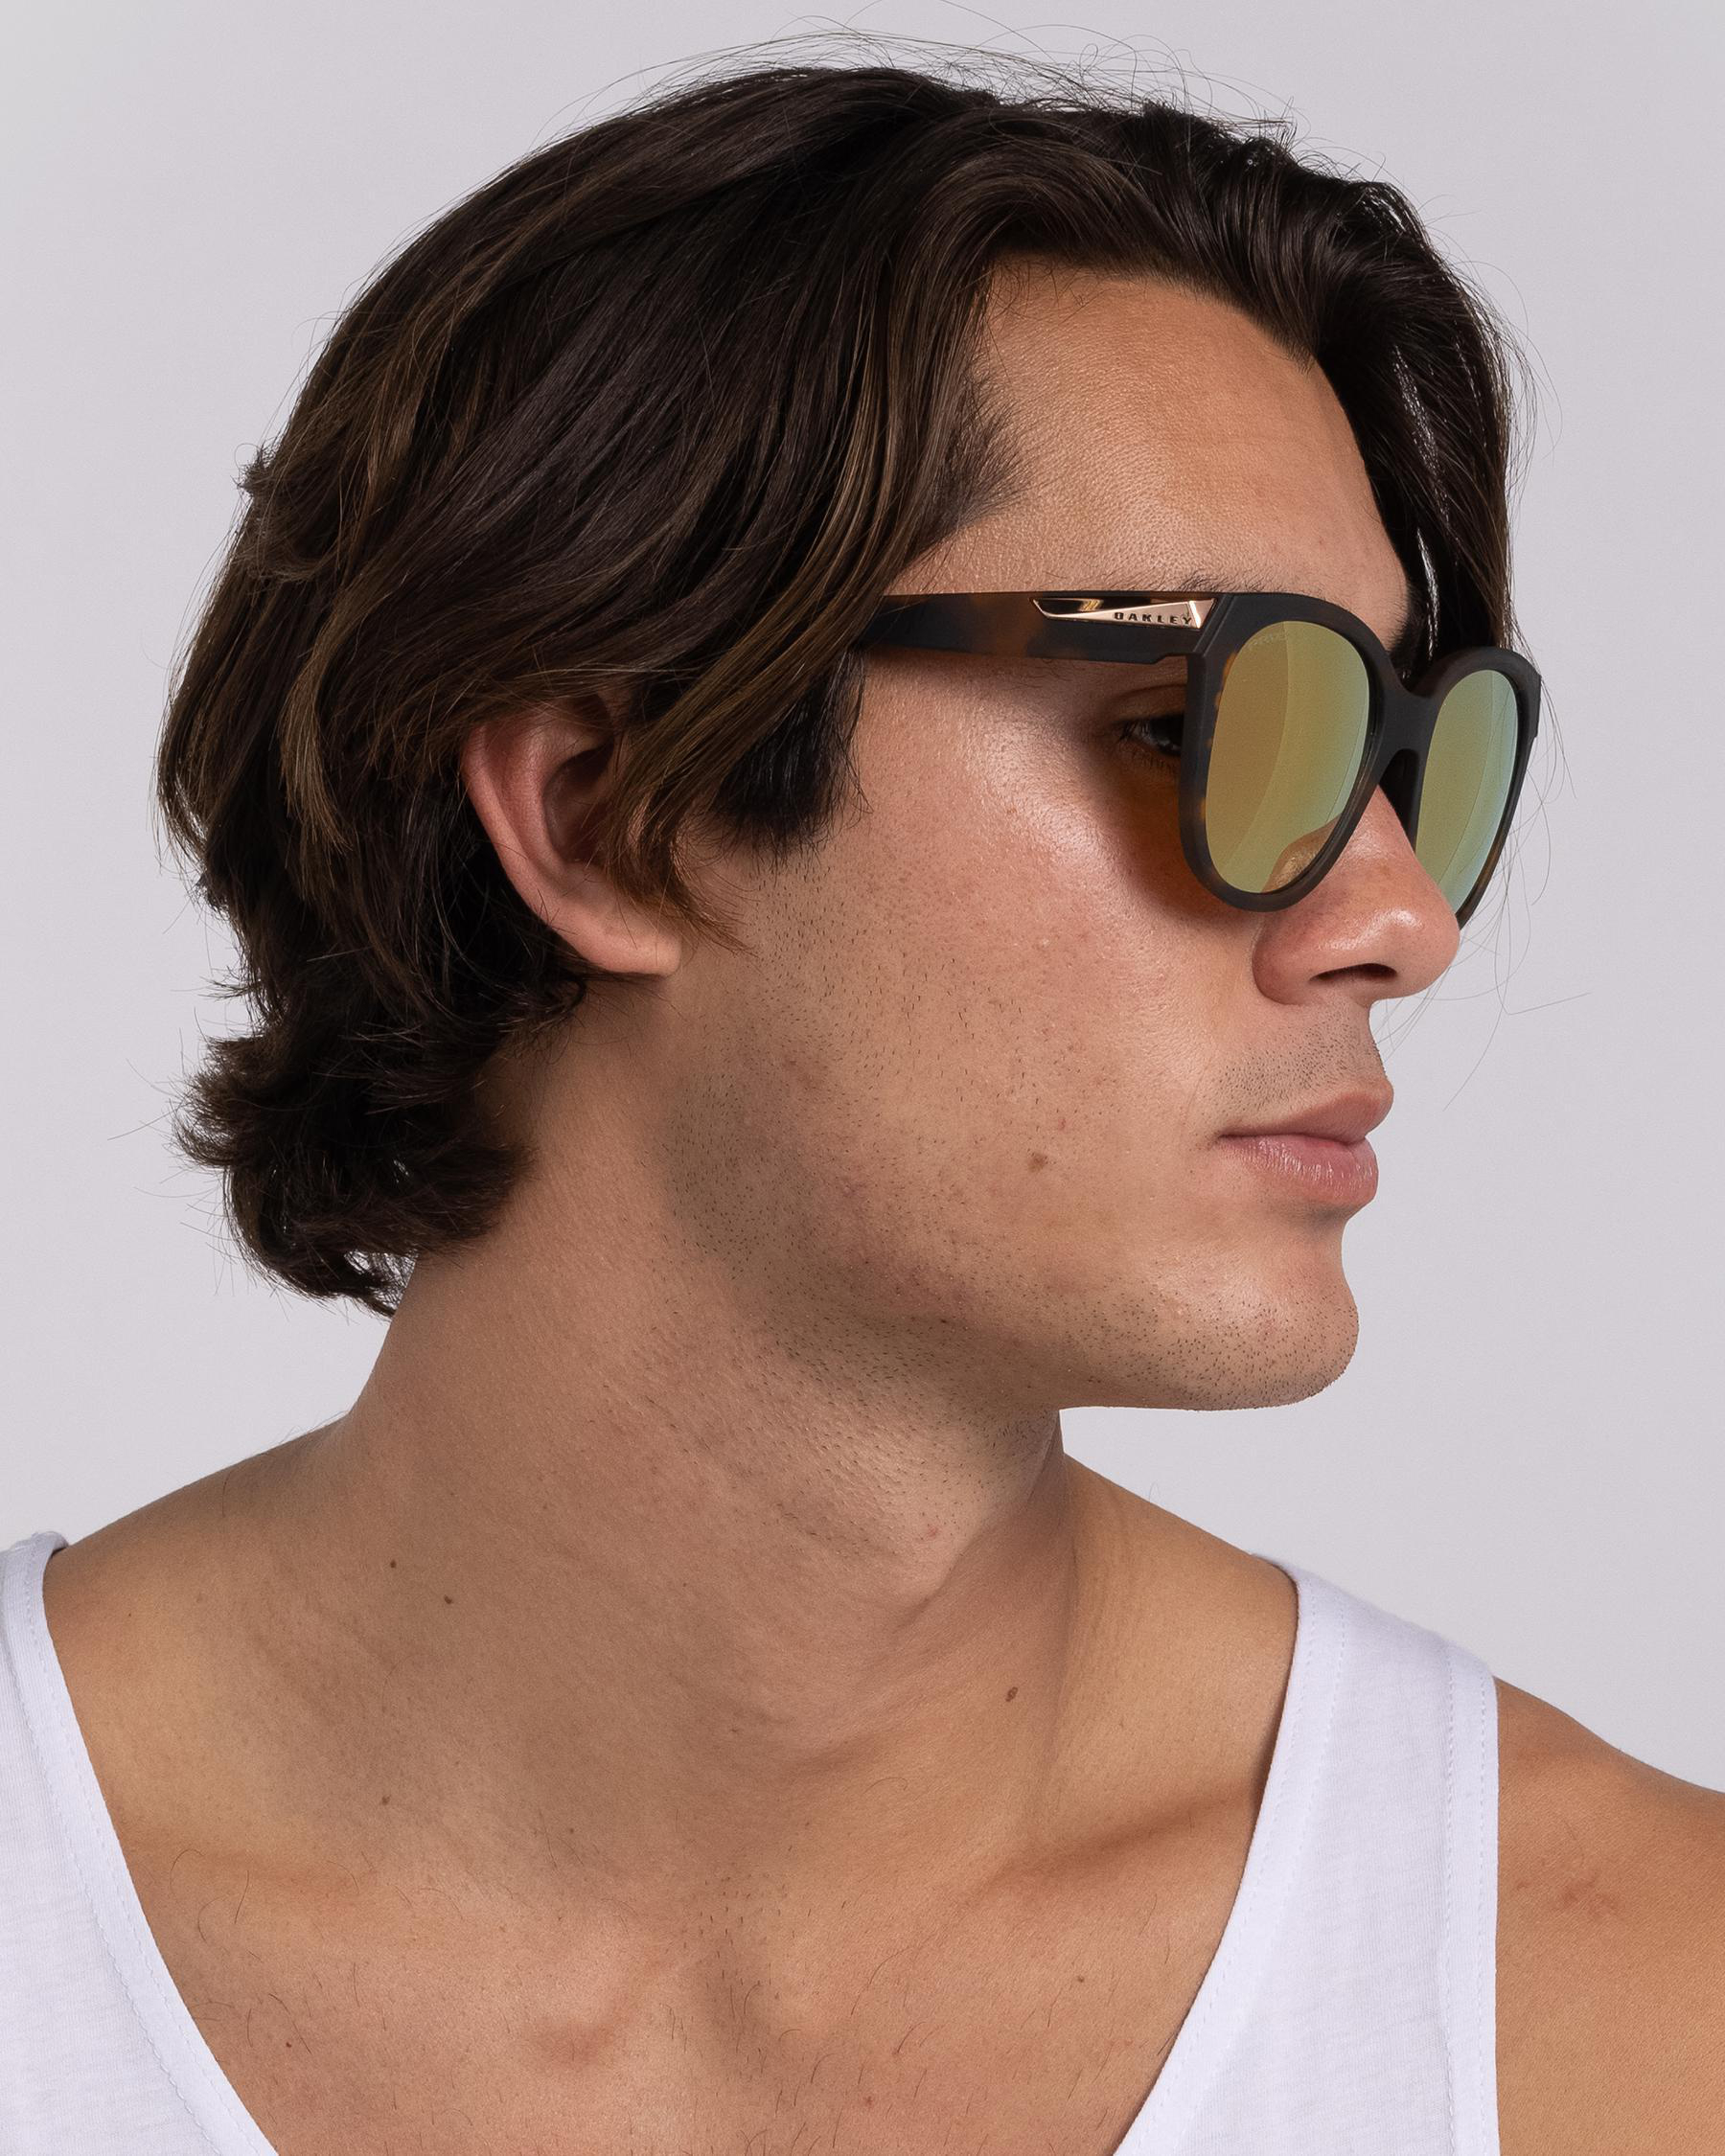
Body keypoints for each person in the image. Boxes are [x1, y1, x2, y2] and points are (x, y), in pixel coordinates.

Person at [3, 47, 1720, 2156]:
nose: (1399, 921)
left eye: (1402, 757)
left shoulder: (1636, 2016)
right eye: (1199, 722)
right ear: (611, 816)